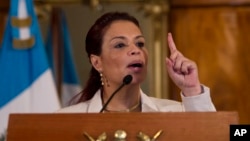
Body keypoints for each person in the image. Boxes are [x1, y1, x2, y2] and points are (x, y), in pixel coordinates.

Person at [56, 11, 216, 113]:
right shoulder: (67, 119)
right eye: (120, 45)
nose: (136, 50)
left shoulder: (176, 113)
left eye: (139, 43)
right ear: (97, 62)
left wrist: (192, 90)